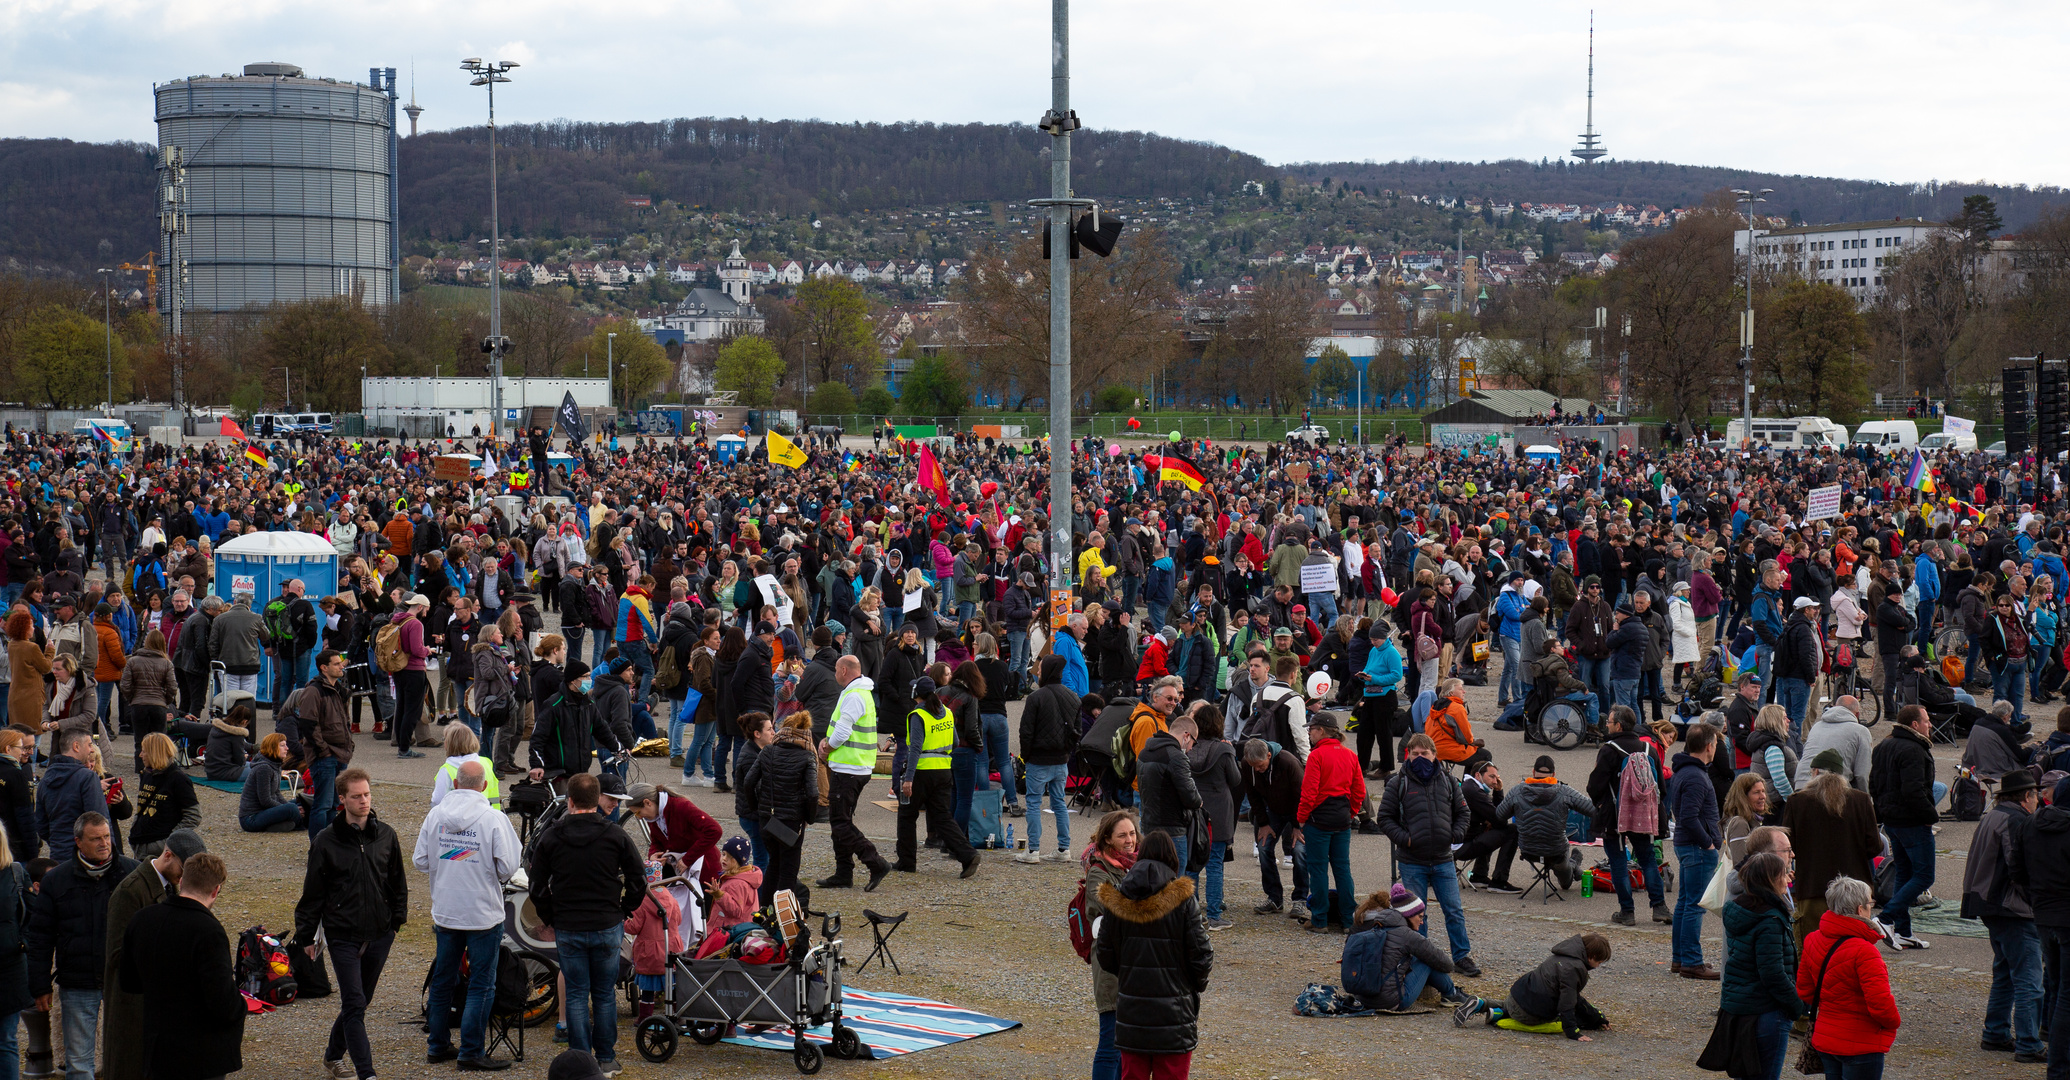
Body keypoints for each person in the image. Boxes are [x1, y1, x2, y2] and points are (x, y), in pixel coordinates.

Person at [294, 768, 409, 1080]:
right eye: (357, 796)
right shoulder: (325, 842)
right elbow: (312, 893)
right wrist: (306, 935)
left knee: (360, 1002)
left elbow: (398, 882)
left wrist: (396, 922)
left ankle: (332, 1056)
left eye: (367, 794)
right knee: (355, 1003)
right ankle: (366, 1073)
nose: (364, 801)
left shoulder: (386, 834)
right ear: (341, 799)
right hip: (342, 935)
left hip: (380, 934)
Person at [527, 772, 645, 1076]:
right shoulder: (615, 835)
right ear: (598, 801)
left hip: (569, 924)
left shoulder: (552, 836)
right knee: (604, 993)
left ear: (569, 800)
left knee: (577, 992)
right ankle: (606, 1057)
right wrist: (624, 909)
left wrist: (550, 915)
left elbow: (536, 884)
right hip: (606, 922)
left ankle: (581, 1060)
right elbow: (638, 879)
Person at [415, 757, 521, 1072]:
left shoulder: (436, 816)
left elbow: (421, 860)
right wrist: (471, 858)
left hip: (447, 911)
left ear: (456, 784)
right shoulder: (493, 819)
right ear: (485, 786)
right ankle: (471, 1051)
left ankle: (438, 1044)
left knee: (444, 979)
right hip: (482, 913)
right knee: (481, 983)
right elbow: (509, 866)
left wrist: (450, 856)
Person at [1093, 829, 1212, 1080]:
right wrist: (1191, 987)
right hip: (1174, 1015)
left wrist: (1128, 975)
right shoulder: (1183, 899)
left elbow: (1105, 953)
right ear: (1172, 858)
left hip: (1131, 1014)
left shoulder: (1118, 897)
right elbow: (1201, 955)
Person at [115, 853, 242, 1080]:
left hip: (157, 1048)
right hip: (199, 1054)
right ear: (216, 890)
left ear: (181, 881)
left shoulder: (142, 919)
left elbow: (129, 981)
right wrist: (240, 1004)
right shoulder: (209, 931)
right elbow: (222, 1000)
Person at [27, 813, 130, 1080]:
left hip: (123, 982)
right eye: (96, 839)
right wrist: (40, 985)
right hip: (77, 981)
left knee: (125, 1059)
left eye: (107, 836)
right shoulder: (56, 880)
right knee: (79, 1063)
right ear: (78, 842)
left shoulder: (131, 874)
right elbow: (40, 936)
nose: (105, 843)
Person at [102, 829, 206, 1080]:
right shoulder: (130, 891)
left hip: (158, 1010)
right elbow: (117, 955)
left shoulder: (171, 888)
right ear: (168, 855)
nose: (186, 876)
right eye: (184, 867)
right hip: (133, 1009)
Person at [1962, 766, 2045, 1063]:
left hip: (1989, 904)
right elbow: (2018, 868)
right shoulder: (2016, 820)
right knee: (2029, 979)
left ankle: (1995, 1033)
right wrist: (2038, 902)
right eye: (2035, 794)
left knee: (2006, 974)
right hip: (2010, 908)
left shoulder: (1995, 815)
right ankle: (2028, 1043)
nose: (2038, 800)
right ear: (2026, 795)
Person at [1377, 732, 1477, 975]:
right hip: (1412, 861)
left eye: (1425, 753)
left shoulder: (1449, 781)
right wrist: (1405, 839)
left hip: (1443, 859)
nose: (1420, 757)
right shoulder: (1397, 783)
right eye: (1415, 754)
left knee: (1454, 910)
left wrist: (1456, 835)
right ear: (1408, 756)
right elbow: (1384, 818)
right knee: (1416, 914)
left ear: (1435, 755)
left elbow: (1464, 813)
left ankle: (1462, 956)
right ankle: (1420, 958)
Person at [1797, 876, 1902, 1080]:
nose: (1872, 908)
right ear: (1859, 910)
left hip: (1826, 1038)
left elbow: (1805, 990)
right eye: (1870, 903)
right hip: (1861, 1044)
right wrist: (1893, 1023)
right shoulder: (1864, 951)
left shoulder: (1812, 940)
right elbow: (1880, 1004)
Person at [1719, 851, 1804, 1080]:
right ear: (1771, 880)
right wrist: (1797, 1007)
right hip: (1766, 1011)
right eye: (1785, 874)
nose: (1789, 879)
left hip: (1739, 1009)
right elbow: (1773, 973)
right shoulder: (1770, 920)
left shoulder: (1739, 909)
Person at [1778, 768, 1880, 947]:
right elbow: (1874, 847)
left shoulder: (1797, 802)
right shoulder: (1861, 800)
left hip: (1812, 888)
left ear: (1815, 773)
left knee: (1813, 947)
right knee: (1854, 947)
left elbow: (1788, 845)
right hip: (1854, 892)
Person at [1869, 705, 1941, 950]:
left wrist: (1882, 812)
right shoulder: (1913, 749)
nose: (1930, 724)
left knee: (1904, 872)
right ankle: (1886, 918)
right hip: (1912, 821)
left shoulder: (1883, 746)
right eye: (1927, 720)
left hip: (1892, 820)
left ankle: (1903, 931)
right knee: (1924, 875)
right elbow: (1913, 790)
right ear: (1915, 725)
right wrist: (1930, 816)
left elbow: (1873, 785)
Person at [892, 676, 980, 877]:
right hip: (943, 770)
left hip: (921, 771)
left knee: (906, 815)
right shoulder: (947, 712)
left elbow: (914, 748)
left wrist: (908, 778)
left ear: (916, 693)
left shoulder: (918, 715)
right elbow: (955, 742)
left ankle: (906, 861)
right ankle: (967, 854)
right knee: (942, 817)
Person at [817, 654, 891, 891]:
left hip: (850, 767)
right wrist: (828, 742)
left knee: (840, 822)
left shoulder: (854, 695)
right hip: (854, 765)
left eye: (837, 669)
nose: (835, 673)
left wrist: (827, 747)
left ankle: (875, 862)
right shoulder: (860, 692)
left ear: (844, 670)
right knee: (840, 820)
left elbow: (842, 733)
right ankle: (843, 872)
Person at [1454, 933, 1614, 1040]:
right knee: (1558, 1020)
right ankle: (1498, 1016)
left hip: (1517, 995)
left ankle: (1483, 1004)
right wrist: (1573, 1031)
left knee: (1512, 1005)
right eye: (1598, 962)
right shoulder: (1575, 969)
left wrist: (1596, 1016)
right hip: (1529, 1013)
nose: (1598, 966)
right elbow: (1569, 1003)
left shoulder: (1563, 954)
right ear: (1591, 956)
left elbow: (1574, 996)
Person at [1342, 883, 1464, 1011]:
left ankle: (1450, 993)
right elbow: (1446, 964)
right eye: (1420, 917)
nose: (1422, 922)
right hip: (1391, 1002)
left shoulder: (1376, 925)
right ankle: (1451, 994)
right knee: (1427, 960)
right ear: (1409, 915)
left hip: (1362, 998)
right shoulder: (1407, 935)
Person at [1670, 723, 1723, 980]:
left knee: (1684, 903)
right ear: (1709, 746)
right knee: (1694, 905)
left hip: (1687, 845)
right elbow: (1689, 817)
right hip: (1696, 848)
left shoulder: (1685, 771)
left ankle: (1681, 959)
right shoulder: (1695, 776)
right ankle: (1691, 961)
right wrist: (1708, 843)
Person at [1494, 755, 1594, 890]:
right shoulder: (1564, 791)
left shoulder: (1517, 791)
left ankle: (1572, 865)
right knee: (1565, 884)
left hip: (1528, 850)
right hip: (1556, 851)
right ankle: (1574, 864)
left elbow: (1499, 815)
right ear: (1554, 774)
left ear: (1533, 772)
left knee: (1559, 860)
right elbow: (1592, 809)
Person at [1185, 704, 1241, 930]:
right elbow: (1236, 780)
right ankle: (1215, 914)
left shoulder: (1188, 749)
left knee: (1192, 865)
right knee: (1215, 865)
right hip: (1218, 812)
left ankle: (1192, 912)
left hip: (1194, 811)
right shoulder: (1223, 750)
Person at [1019, 654, 1079, 863]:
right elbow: (1077, 731)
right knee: (1059, 803)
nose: (1037, 671)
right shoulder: (1073, 696)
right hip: (1061, 758)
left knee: (1034, 802)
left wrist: (1025, 756)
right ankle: (1064, 848)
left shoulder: (1036, 697)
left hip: (1039, 758)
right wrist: (1066, 751)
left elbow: (1026, 731)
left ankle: (1033, 849)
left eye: (1041, 668)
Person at [1242, 738, 1308, 921]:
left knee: (1299, 851)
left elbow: (1301, 796)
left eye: (1260, 765)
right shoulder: (1248, 766)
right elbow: (1252, 795)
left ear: (1269, 756)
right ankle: (1274, 898)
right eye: (1252, 765)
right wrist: (1262, 823)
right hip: (1272, 811)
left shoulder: (1289, 763)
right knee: (1263, 848)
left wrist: (1297, 826)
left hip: (1297, 810)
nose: (1256, 769)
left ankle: (1300, 899)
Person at [623, 783, 722, 890]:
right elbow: (656, 841)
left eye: (638, 813)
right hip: (681, 873)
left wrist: (687, 859)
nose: (639, 818)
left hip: (704, 870)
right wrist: (653, 855)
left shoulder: (681, 806)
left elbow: (714, 830)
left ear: (647, 802)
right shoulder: (653, 815)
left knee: (703, 906)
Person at [300, 648, 356, 836]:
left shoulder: (339, 691)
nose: (342, 666)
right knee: (322, 805)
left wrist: (349, 744)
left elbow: (344, 721)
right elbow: (308, 725)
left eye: (341, 663)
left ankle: (331, 844)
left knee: (334, 804)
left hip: (340, 753)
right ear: (324, 668)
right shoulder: (313, 691)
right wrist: (323, 751)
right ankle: (317, 846)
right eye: (336, 664)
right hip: (325, 756)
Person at [621, 861, 682, 1022]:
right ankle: (678, 1014)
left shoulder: (643, 900)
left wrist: (624, 924)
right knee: (673, 985)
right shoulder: (670, 898)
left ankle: (645, 1016)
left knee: (647, 988)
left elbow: (634, 927)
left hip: (650, 952)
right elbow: (679, 920)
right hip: (671, 948)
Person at [36, 727, 104, 865]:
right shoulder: (87, 777)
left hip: (58, 854)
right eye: (89, 744)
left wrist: (58, 840)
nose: (92, 749)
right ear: (76, 746)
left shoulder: (45, 780)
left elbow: (41, 824)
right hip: (86, 857)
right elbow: (99, 819)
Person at [127, 733, 198, 858]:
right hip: (140, 842)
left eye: (144, 752)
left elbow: (193, 815)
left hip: (159, 845)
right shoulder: (146, 774)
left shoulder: (178, 779)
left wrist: (170, 841)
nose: (140, 755)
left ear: (154, 753)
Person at [1796, 695, 1873, 791]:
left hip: (1801, 784)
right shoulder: (1861, 731)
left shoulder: (1817, 726)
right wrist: (1865, 799)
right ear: (1857, 715)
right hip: (1830, 789)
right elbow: (1862, 774)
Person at [701, 837, 762, 953]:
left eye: (730, 857)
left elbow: (736, 911)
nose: (724, 859)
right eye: (723, 854)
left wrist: (719, 895)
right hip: (739, 929)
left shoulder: (737, 883)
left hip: (730, 933)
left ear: (738, 861)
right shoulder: (745, 876)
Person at [238, 732, 303, 832]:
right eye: (282, 745)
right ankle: (301, 824)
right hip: (251, 818)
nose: (287, 748)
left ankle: (280, 824)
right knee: (292, 809)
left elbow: (276, 793)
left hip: (264, 811)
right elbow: (265, 800)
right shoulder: (264, 768)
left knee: (300, 802)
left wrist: (288, 807)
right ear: (272, 748)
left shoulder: (275, 764)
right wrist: (289, 809)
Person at [431, 724, 501, 810]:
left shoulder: (447, 770)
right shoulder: (486, 762)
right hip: (489, 815)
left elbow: (437, 800)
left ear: (449, 744)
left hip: (459, 819)